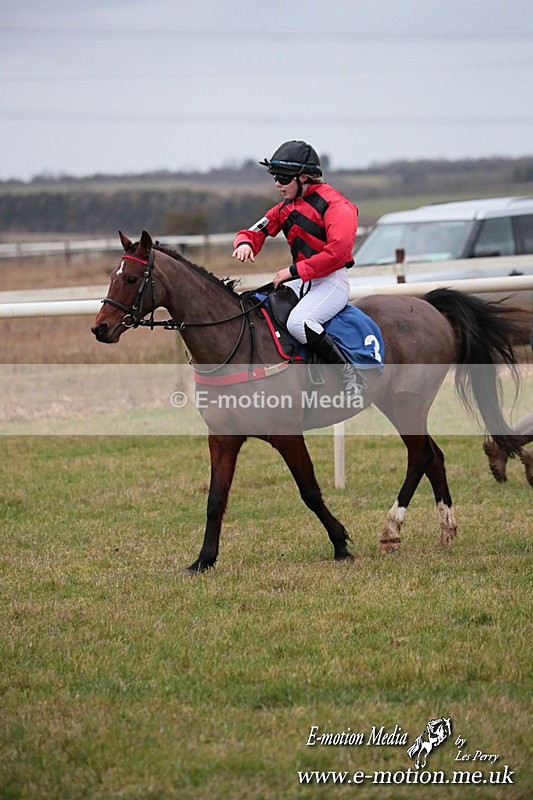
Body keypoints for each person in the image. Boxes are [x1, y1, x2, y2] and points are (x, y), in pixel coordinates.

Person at [232, 139, 363, 393]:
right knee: (258, 308)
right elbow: (254, 230)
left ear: (304, 178)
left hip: (331, 282)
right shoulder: (286, 207)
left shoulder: (337, 206)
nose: (277, 184)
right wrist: (245, 243)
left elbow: (338, 253)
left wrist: (293, 272)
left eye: (282, 177)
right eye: (274, 177)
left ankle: (350, 377)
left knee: (298, 323)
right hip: (301, 281)